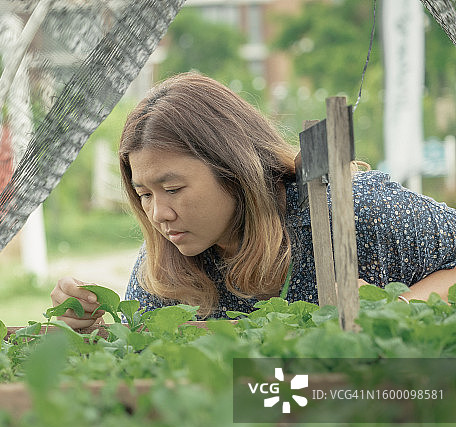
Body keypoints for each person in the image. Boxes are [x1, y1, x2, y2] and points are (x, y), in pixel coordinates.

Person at [51, 72, 456, 329]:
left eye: (173, 189)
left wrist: (399, 308)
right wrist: (95, 329)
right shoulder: (163, 271)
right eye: (144, 195)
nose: (159, 214)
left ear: (234, 170)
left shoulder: (353, 211)